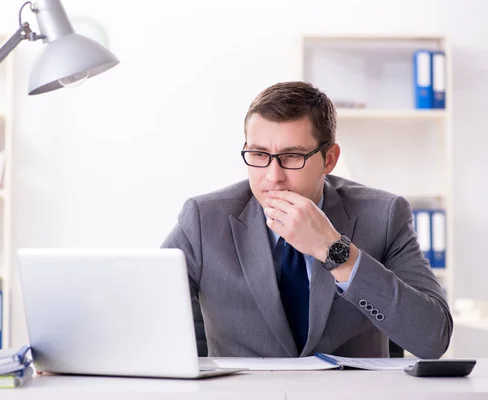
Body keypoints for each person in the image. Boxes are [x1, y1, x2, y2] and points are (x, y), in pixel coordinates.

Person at [161, 81, 452, 359]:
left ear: (329, 159)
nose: (273, 176)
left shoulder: (384, 215)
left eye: (291, 157)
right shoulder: (203, 220)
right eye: (259, 154)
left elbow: (433, 339)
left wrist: (335, 251)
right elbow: (145, 312)